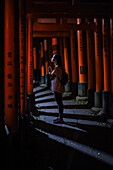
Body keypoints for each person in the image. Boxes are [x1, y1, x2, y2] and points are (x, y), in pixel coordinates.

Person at [48, 53, 64, 123]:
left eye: (53, 57)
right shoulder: (58, 67)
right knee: (59, 103)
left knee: (59, 103)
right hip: (59, 87)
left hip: (57, 88)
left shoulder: (57, 68)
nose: (52, 58)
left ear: (55, 59)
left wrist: (49, 71)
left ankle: (60, 119)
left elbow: (51, 77)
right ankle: (60, 117)